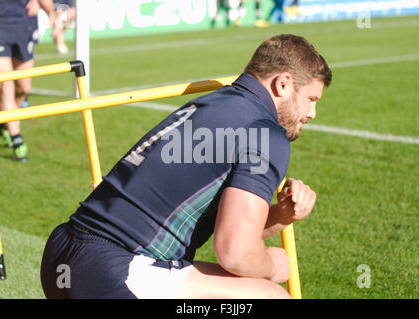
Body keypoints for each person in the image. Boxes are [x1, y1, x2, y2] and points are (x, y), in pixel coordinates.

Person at [40, 34, 332, 299]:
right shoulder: (265, 133)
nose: (312, 113)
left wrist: (281, 214)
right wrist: (272, 265)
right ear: (283, 84)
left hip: (64, 255)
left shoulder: (211, 103)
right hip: (115, 271)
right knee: (271, 297)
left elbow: (223, 227)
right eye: (311, 99)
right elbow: (235, 251)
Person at [0, 0, 54, 162]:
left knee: (24, 88)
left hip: (21, 23)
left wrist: (49, 11)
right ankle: (17, 141)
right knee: (6, 84)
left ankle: (5, 121)